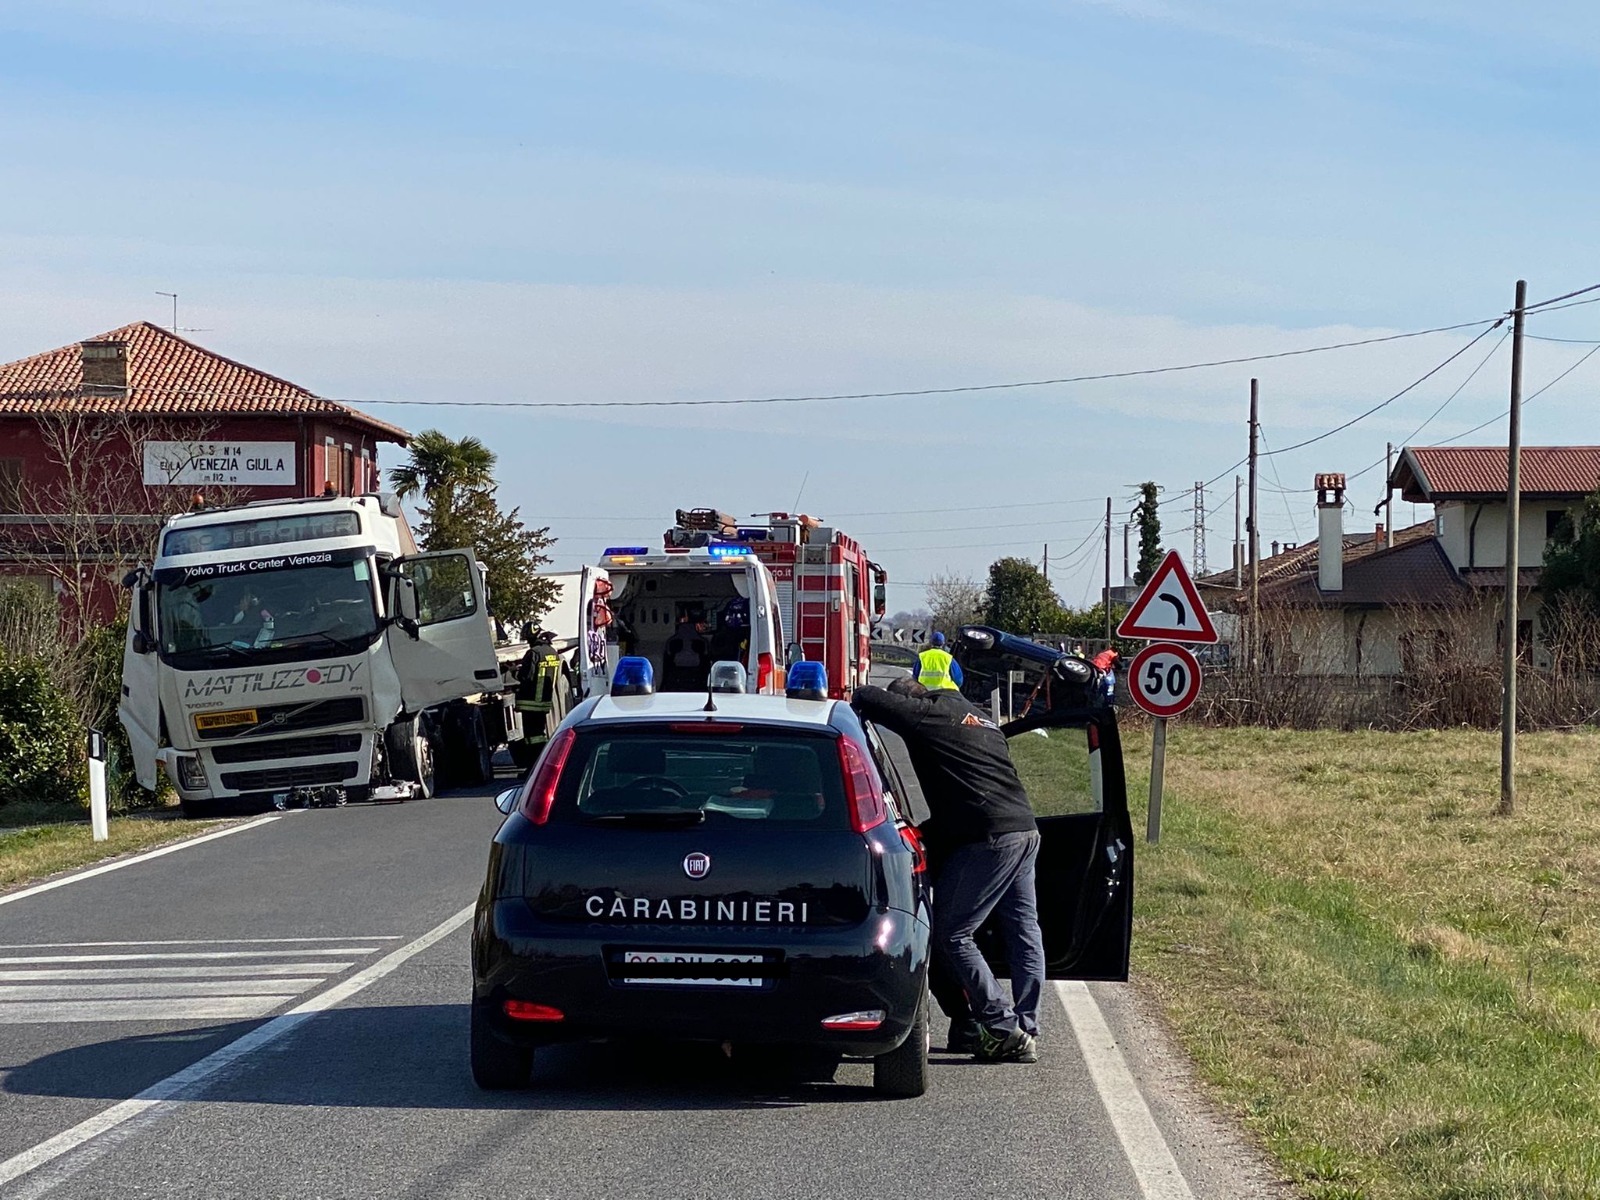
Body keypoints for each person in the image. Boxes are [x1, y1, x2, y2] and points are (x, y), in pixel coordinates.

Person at [851, 676, 1044, 1064]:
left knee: (954, 933)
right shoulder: (977, 714)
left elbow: (866, 696)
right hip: (1024, 828)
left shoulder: (927, 714)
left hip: (988, 838)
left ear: (912, 701)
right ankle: (1026, 1026)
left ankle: (1002, 1026)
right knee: (1023, 929)